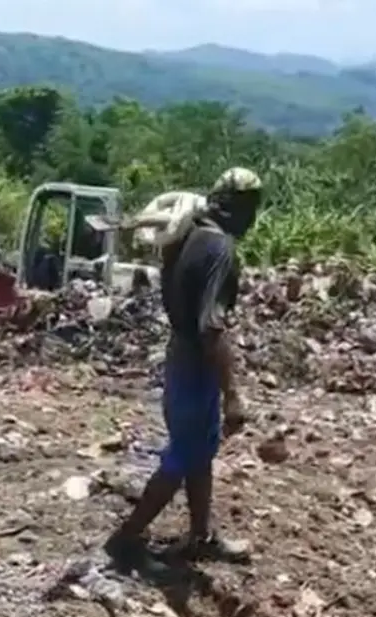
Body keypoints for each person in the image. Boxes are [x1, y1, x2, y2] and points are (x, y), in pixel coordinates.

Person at [103, 167, 263, 572]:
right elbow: (211, 327)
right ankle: (125, 540)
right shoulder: (220, 251)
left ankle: (200, 537)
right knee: (182, 457)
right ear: (245, 210)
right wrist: (233, 394)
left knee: (199, 452)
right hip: (195, 362)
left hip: (179, 355)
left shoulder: (187, 237)